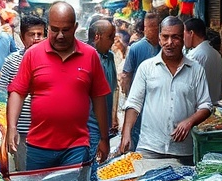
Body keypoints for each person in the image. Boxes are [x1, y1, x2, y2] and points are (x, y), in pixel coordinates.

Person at [7, 2, 110, 181]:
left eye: (66, 30)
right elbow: (17, 91)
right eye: (54, 30)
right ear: (47, 27)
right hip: (39, 144)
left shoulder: (89, 56)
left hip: (75, 144)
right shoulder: (33, 55)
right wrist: (11, 128)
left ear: (76, 28)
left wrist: (103, 136)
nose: (60, 35)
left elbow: (100, 97)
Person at [119, 16, 213, 165]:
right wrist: (126, 133)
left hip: (183, 151)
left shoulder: (196, 70)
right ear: (159, 38)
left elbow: (206, 105)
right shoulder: (146, 68)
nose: (170, 43)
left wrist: (189, 122)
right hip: (149, 148)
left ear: (183, 38)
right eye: (165, 37)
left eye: (175, 37)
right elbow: (134, 103)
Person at [0, 14, 48, 181]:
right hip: (22, 131)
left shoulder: (52, 58)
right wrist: (8, 129)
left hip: (47, 129)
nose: (36, 39)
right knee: (21, 179)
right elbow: (1, 94)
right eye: (31, 35)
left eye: (40, 34)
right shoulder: (13, 61)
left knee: (47, 178)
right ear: (21, 37)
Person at [121, 12, 160, 149]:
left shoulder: (165, 47)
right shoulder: (135, 48)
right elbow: (126, 75)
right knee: (137, 134)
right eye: (146, 27)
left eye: (152, 27)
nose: (148, 30)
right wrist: (129, 97)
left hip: (159, 100)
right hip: (140, 101)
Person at [87, 18, 119, 163]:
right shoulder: (87, 57)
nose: (113, 41)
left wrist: (113, 116)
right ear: (97, 37)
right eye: (110, 37)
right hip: (91, 124)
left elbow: (113, 87)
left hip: (105, 124)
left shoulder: (110, 56)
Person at [184, 18, 222, 103]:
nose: (182, 39)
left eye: (183, 34)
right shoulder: (216, 54)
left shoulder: (194, 56)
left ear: (191, 33)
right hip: (214, 105)